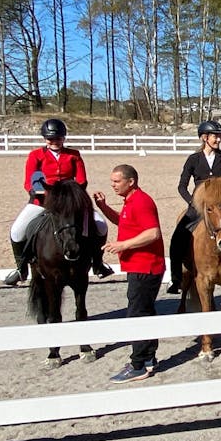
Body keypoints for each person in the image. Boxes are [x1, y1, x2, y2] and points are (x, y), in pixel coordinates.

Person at [3, 118, 114, 286]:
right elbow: (29, 182)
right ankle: (21, 268)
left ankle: (98, 264)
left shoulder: (74, 155)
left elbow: (82, 181)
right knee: (17, 231)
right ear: (45, 139)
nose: (54, 142)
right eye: (50, 139)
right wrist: (40, 192)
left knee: (101, 225)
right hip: (43, 201)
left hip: (70, 202)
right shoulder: (36, 156)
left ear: (64, 138)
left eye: (58, 138)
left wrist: (68, 195)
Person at [164, 120, 221, 295]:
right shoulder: (193, 159)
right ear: (204, 138)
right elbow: (182, 186)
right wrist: (193, 202)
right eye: (215, 136)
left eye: (219, 136)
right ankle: (175, 278)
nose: (218, 140)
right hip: (198, 206)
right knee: (177, 237)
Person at [94, 164, 165, 383]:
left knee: (137, 315)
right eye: (112, 181)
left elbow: (153, 233)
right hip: (139, 266)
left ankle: (138, 365)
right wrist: (103, 207)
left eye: (116, 181)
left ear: (130, 181)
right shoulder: (130, 201)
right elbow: (123, 221)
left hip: (145, 267)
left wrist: (124, 245)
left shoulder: (142, 201)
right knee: (144, 312)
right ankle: (148, 358)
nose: (112, 185)